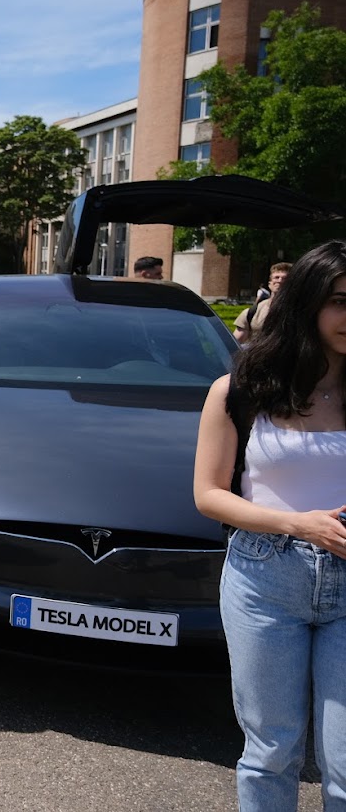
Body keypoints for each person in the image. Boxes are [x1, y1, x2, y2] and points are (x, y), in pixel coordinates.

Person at [194, 241, 346, 810]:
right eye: (340, 301)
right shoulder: (240, 389)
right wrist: (297, 523)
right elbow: (208, 495)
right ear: (304, 303)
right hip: (265, 578)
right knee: (271, 751)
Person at [234, 262, 292, 344]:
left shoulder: (301, 312)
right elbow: (235, 343)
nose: (280, 281)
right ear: (269, 284)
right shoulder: (252, 312)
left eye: (285, 278)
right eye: (276, 277)